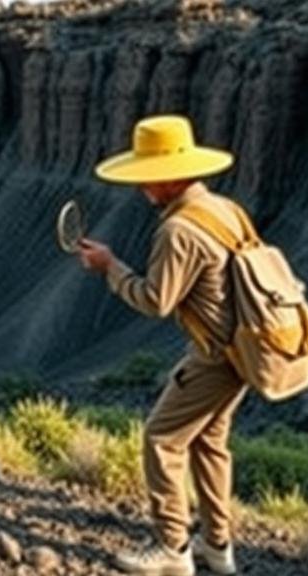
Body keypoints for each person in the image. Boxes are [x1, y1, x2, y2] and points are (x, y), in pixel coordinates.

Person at [78, 115, 247, 576]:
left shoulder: (177, 231)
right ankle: (218, 548)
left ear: (171, 176)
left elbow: (156, 300)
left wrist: (110, 267)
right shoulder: (223, 208)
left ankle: (173, 552)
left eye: (147, 176)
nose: (141, 186)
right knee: (210, 444)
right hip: (247, 350)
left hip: (216, 356)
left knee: (162, 439)